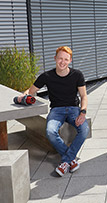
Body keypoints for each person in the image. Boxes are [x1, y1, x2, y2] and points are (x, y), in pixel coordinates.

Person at [18, 46, 89, 177]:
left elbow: (84, 96)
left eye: (66, 59)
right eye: (60, 58)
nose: (62, 62)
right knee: (50, 131)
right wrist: (24, 95)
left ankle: (66, 161)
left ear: (70, 60)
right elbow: (31, 91)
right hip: (57, 110)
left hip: (74, 109)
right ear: (55, 58)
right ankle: (71, 160)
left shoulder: (77, 75)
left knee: (84, 129)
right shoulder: (47, 76)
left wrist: (82, 112)